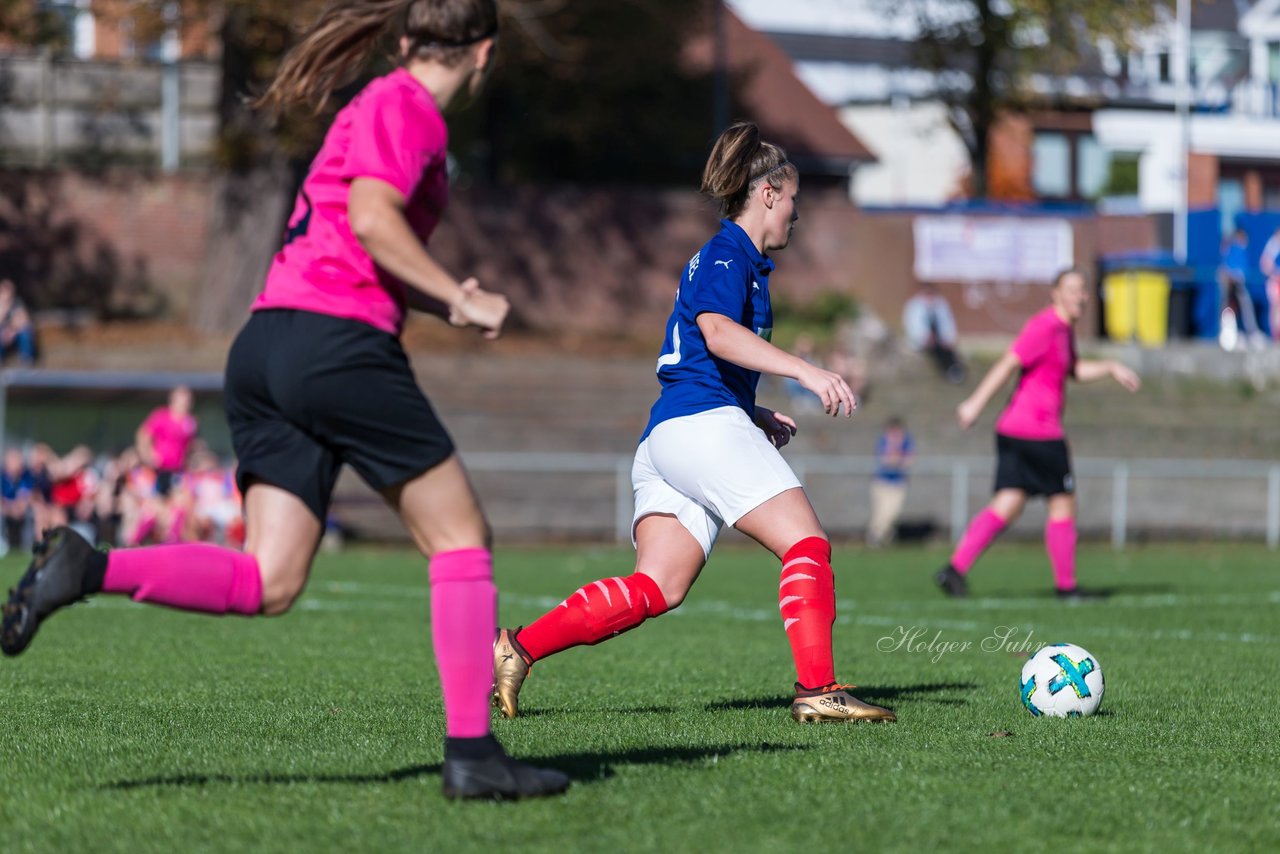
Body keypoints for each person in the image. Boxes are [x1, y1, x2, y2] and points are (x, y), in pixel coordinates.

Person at [2, 0, 567, 801]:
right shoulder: (408, 107)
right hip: (334, 345)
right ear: (483, 56)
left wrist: (442, 301)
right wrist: (463, 299)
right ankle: (473, 755)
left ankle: (87, 566)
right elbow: (372, 219)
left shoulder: (378, 107)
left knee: (269, 578)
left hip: (267, 344)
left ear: (406, 39)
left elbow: (359, 231)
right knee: (461, 537)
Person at [491, 121, 896, 725]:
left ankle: (518, 647)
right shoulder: (729, 252)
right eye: (793, 200)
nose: (795, 213)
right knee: (806, 543)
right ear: (766, 194)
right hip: (698, 427)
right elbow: (716, 332)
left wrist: (750, 412)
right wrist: (808, 372)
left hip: (671, 435)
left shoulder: (737, 262)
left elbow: (698, 352)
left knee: (658, 586)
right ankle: (819, 689)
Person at [935, 268, 1140, 600]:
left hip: (1014, 430)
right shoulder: (1044, 326)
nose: (1080, 296)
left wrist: (1111, 367)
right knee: (1062, 503)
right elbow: (1008, 362)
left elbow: (1073, 369)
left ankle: (954, 569)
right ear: (1055, 293)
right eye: (1072, 289)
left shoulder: (1064, 330)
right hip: (1039, 432)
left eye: (1083, 290)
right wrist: (974, 403)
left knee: (1008, 503)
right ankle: (1067, 586)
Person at [136, 386, 199, 497]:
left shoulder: (190, 422)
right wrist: (148, 454)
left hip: (178, 471)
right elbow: (143, 435)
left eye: (187, 401)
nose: (184, 404)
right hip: (158, 469)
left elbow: (190, 446)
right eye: (182, 400)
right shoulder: (161, 416)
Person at [902, 282, 965, 383]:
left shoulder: (940, 305)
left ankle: (953, 372)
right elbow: (912, 326)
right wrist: (923, 337)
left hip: (939, 340)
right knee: (937, 351)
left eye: (931, 293)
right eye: (927, 294)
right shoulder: (914, 306)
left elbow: (947, 323)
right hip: (923, 341)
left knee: (947, 352)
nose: (930, 296)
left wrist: (949, 338)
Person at [866, 416, 913, 548]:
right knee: (880, 512)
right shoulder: (883, 441)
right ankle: (877, 539)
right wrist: (897, 455)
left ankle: (880, 537)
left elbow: (908, 461)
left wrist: (896, 458)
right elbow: (886, 460)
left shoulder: (907, 441)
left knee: (892, 512)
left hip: (898, 483)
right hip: (881, 481)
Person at [1218, 228, 1266, 350]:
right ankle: (1229, 334)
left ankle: (1250, 332)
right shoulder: (1233, 249)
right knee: (1228, 308)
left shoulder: (1241, 249)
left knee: (1245, 307)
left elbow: (1242, 269)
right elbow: (1226, 268)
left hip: (1240, 284)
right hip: (1231, 284)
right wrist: (1231, 277)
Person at [0, 279, 37, 365]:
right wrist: (4, 306)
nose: (9, 294)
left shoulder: (17, 303)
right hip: (2, 333)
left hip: (14, 333)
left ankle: (27, 360)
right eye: (6, 291)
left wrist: (13, 331)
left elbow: (23, 319)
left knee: (25, 332)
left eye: (10, 291)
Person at [1259, 225, 1280, 343]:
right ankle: (1275, 335)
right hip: (1275, 282)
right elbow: (1264, 264)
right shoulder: (1272, 245)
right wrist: (1275, 273)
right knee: (1275, 307)